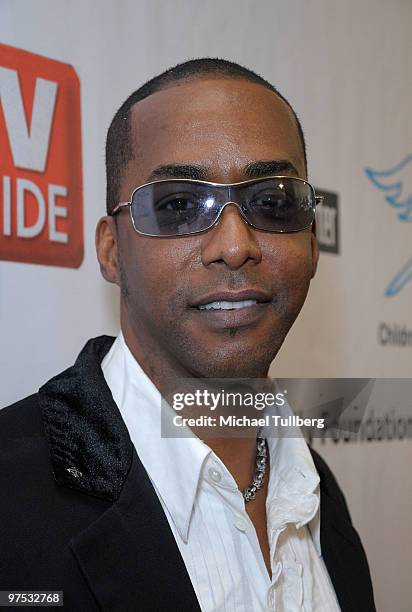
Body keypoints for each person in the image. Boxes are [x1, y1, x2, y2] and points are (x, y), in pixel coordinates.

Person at [0, 58, 375, 611]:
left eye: (270, 201)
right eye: (177, 205)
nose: (234, 244)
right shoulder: (12, 498)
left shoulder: (317, 493)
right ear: (111, 250)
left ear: (313, 242)